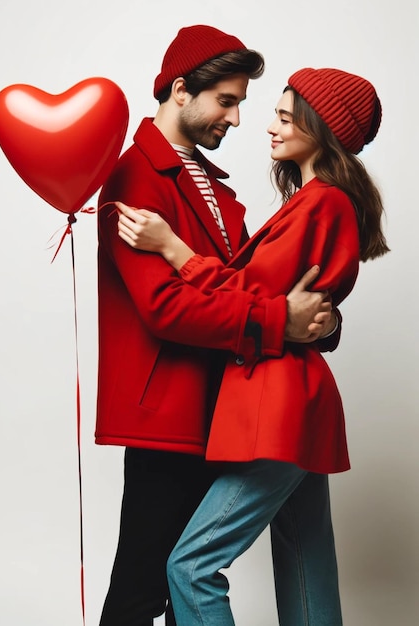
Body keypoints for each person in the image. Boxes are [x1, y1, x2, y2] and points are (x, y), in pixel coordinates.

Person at [116, 67, 390, 625]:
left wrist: (174, 249)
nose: (266, 126)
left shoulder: (324, 203)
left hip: (279, 405)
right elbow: (279, 306)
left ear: (322, 126)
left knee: (191, 568)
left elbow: (255, 297)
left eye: (285, 117)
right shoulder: (312, 201)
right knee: (305, 564)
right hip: (291, 401)